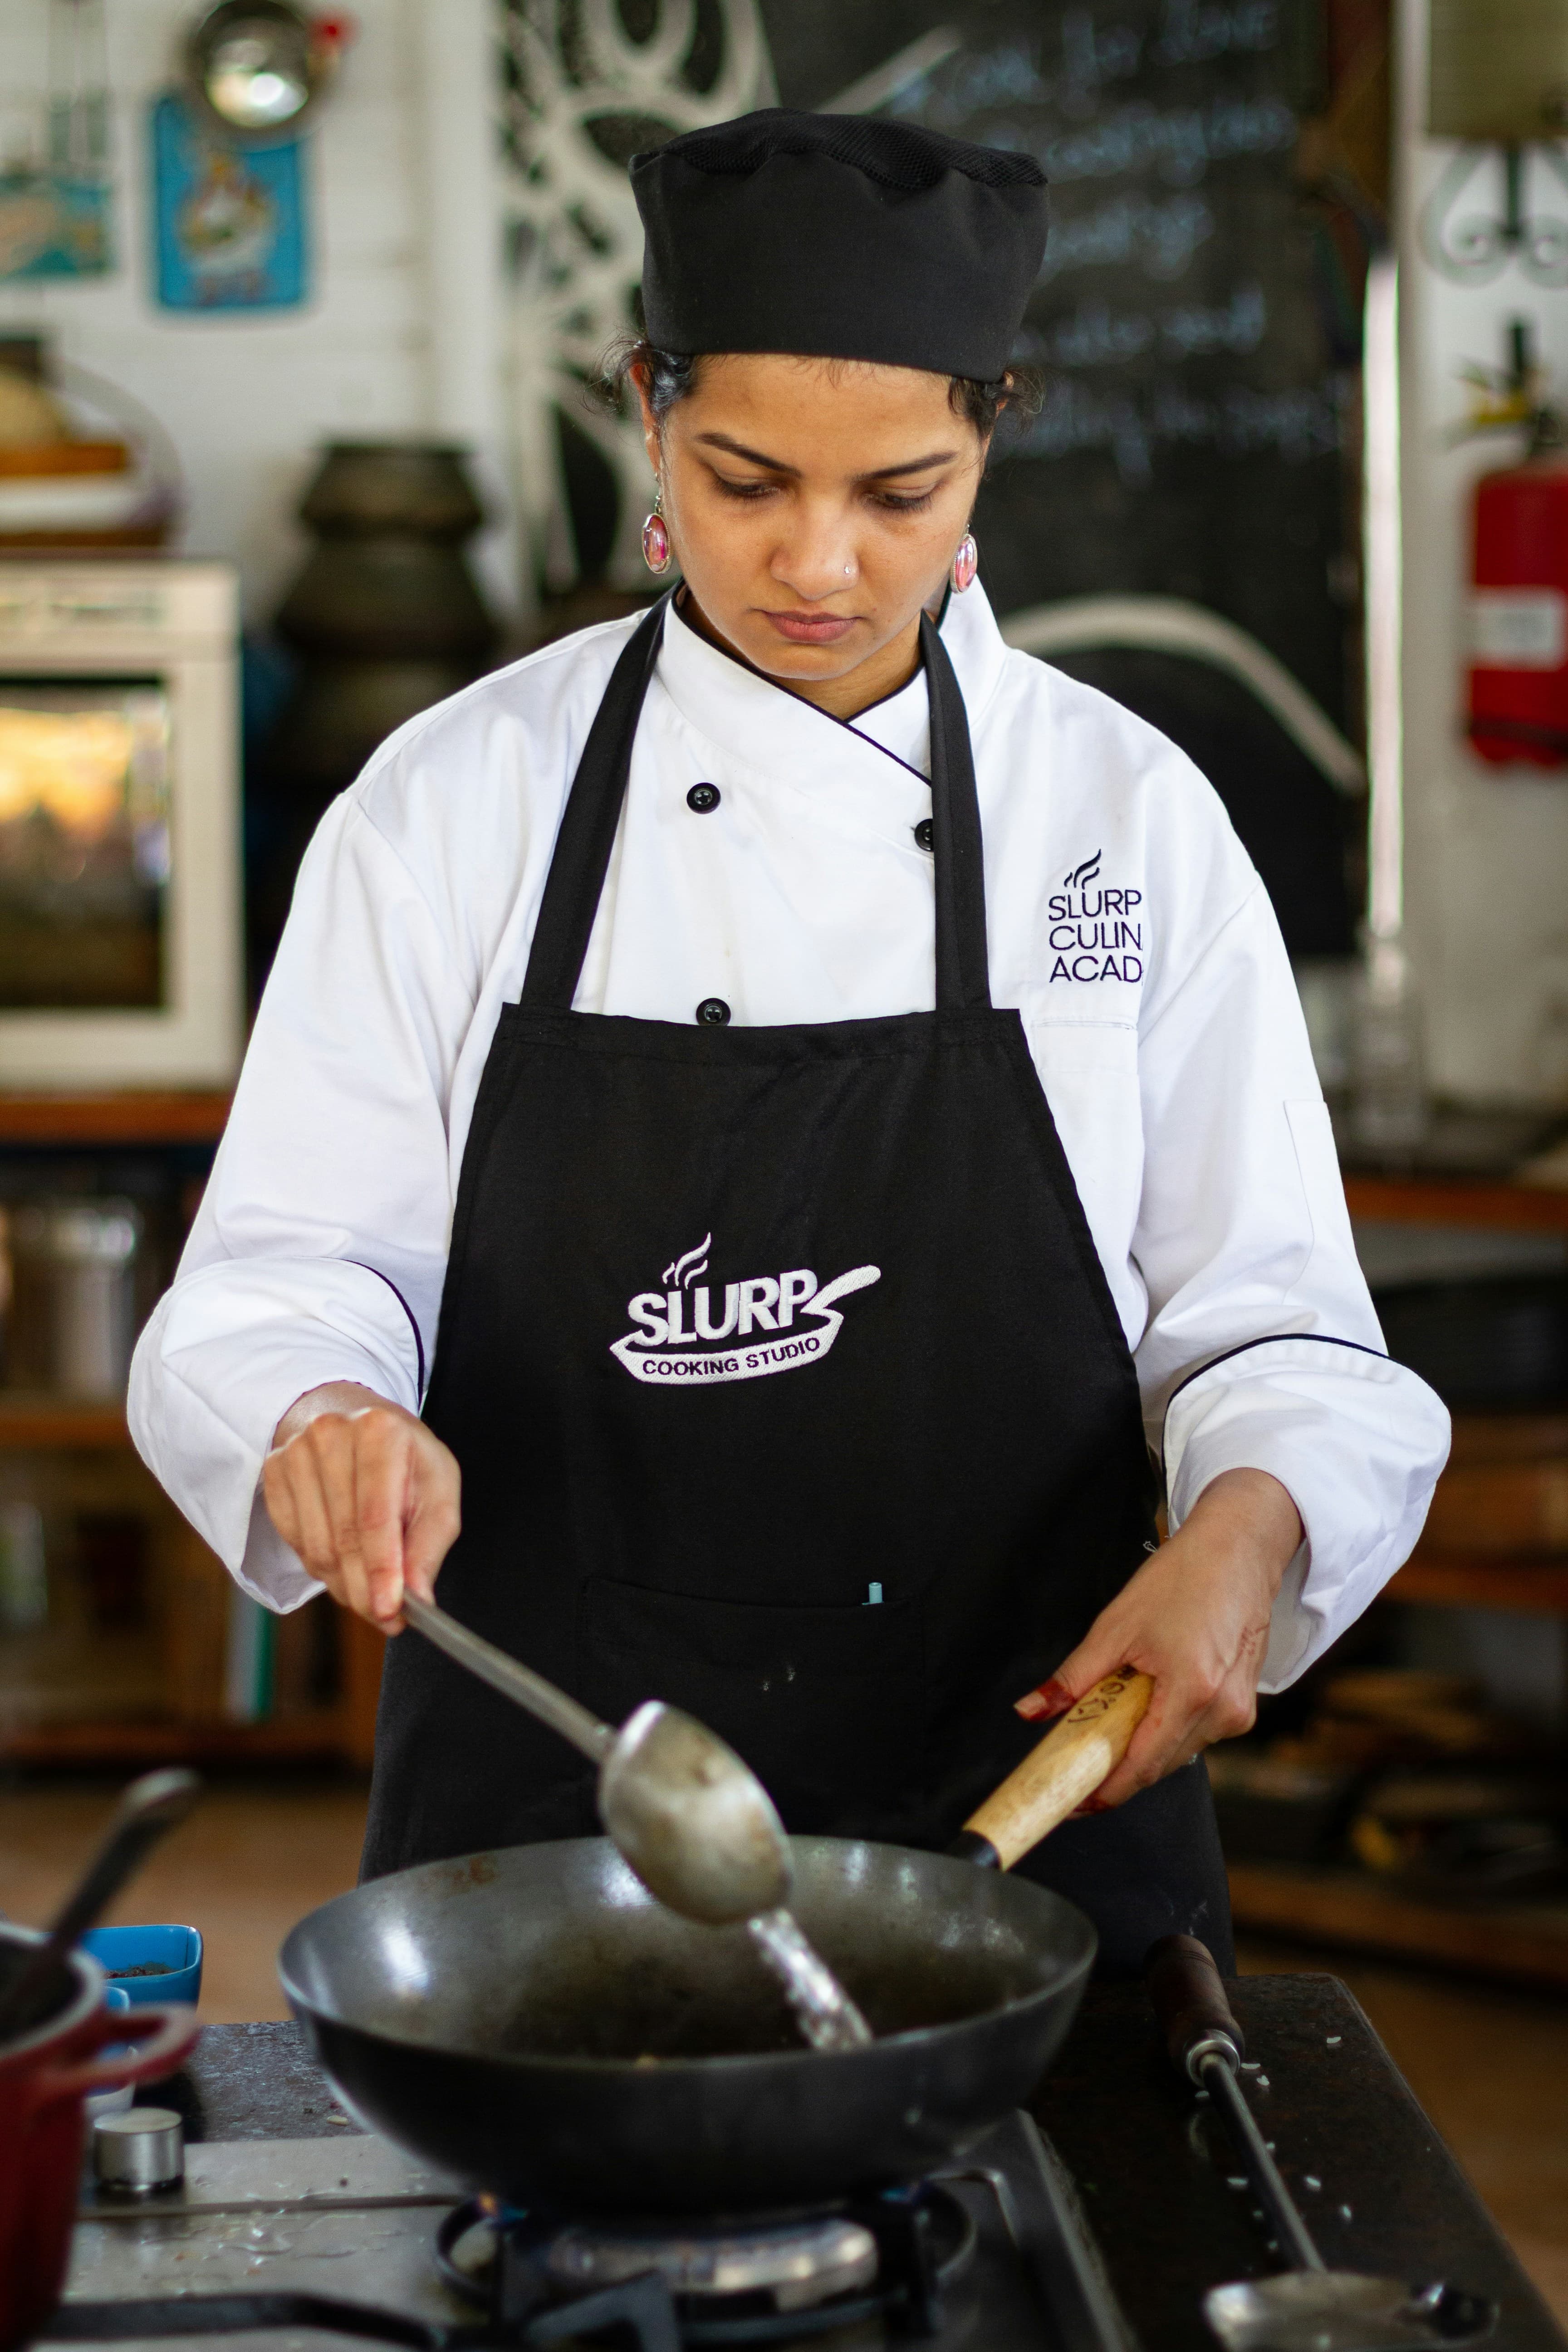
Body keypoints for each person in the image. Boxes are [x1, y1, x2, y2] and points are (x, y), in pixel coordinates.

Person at [130, 110, 1447, 1975]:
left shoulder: (1124, 821)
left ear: (991, 432)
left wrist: (1252, 1527)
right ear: (648, 411)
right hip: (555, 1840)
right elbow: (281, 1279)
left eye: (899, 493)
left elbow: (1272, 1322)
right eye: (745, 479)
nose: (817, 562)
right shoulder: (451, 807)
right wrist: (321, 1412)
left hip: (1027, 1824)